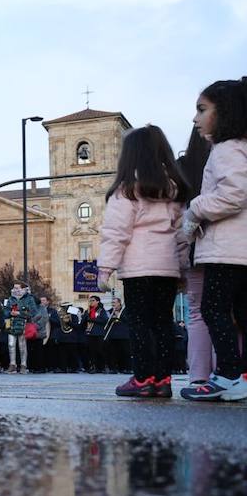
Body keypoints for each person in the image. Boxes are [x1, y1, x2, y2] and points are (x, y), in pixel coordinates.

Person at [97, 124, 190, 398]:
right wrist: (183, 268)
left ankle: (142, 378)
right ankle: (162, 380)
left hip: (138, 270)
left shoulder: (126, 191)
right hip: (167, 269)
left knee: (139, 323)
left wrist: (105, 269)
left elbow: (116, 233)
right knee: (162, 323)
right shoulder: (173, 191)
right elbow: (182, 234)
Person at [181, 77, 247, 401]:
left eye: (201, 109)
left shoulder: (225, 149)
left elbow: (234, 194)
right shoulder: (239, 147)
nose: (195, 118)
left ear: (224, 113)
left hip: (227, 251)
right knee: (239, 313)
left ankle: (228, 376)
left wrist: (195, 209)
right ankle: (239, 376)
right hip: (238, 250)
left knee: (214, 309)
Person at [178, 127, 216, 390]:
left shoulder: (184, 167)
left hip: (194, 246)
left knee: (197, 314)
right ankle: (230, 374)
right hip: (226, 246)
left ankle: (198, 377)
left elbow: (176, 215)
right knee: (229, 313)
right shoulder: (227, 153)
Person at [0, 282, 39, 374]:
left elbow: (34, 312)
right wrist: (9, 313)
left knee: (22, 346)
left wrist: (20, 313)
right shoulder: (10, 299)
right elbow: (5, 311)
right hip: (12, 324)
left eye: (17, 288)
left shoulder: (29, 299)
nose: (15, 290)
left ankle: (23, 365)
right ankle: (12, 364)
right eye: (14, 288)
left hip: (24, 324)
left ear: (23, 289)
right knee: (11, 344)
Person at [84, 296, 110, 373]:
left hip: (98, 333)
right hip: (89, 333)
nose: (91, 302)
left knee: (100, 350)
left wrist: (92, 319)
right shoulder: (88, 311)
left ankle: (102, 367)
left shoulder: (101, 310)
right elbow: (83, 322)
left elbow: (104, 320)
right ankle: (93, 367)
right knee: (91, 351)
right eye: (90, 300)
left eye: (93, 300)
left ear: (97, 301)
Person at [105, 299, 131, 373]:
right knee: (113, 353)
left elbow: (128, 320)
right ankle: (114, 368)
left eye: (114, 302)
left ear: (119, 303)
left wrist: (118, 315)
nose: (113, 304)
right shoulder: (109, 311)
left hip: (124, 335)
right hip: (113, 335)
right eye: (112, 302)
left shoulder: (125, 310)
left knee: (125, 352)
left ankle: (127, 368)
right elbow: (106, 322)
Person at [30, 295, 55, 373]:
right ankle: (33, 367)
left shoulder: (42, 308)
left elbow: (44, 318)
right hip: (31, 332)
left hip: (39, 332)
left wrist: (35, 325)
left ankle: (40, 368)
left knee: (39, 351)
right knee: (32, 351)